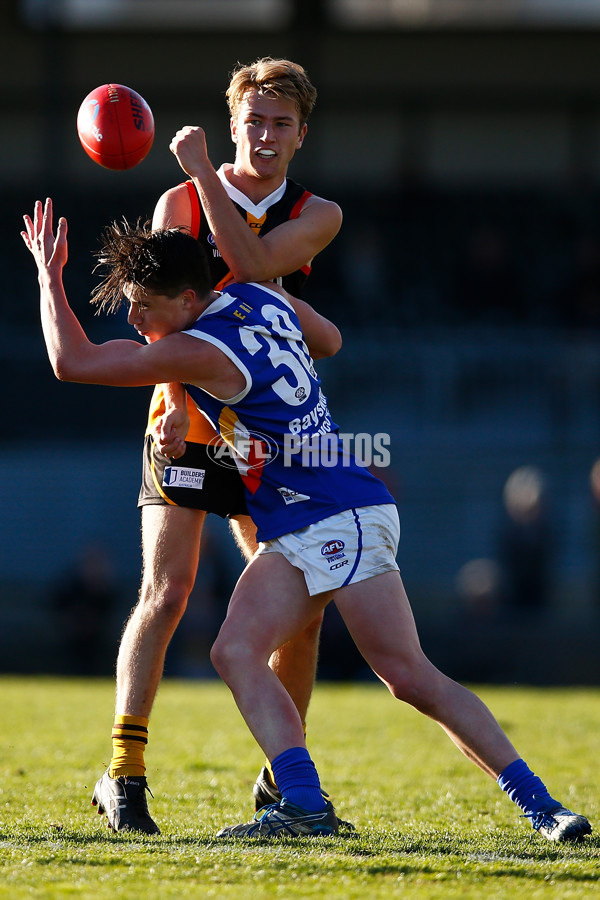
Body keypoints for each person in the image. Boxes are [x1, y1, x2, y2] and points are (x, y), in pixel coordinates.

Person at [22, 201, 591, 844]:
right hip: (352, 504)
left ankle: (303, 802)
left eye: (143, 306)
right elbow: (330, 341)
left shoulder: (200, 351)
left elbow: (73, 362)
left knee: (260, 654)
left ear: (185, 299)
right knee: (403, 674)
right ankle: (545, 808)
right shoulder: (262, 299)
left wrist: (48, 273)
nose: (134, 319)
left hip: (320, 517)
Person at [100, 58, 344, 833]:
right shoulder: (178, 199)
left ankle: (284, 781)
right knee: (166, 591)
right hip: (189, 415)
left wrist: (206, 170)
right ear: (233, 121)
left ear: (301, 135)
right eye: (253, 121)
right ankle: (124, 772)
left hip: (266, 435)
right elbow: (157, 317)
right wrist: (169, 397)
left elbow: (254, 264)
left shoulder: (319, 212)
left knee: (301, 615)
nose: (265, 136)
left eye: (280, 124)